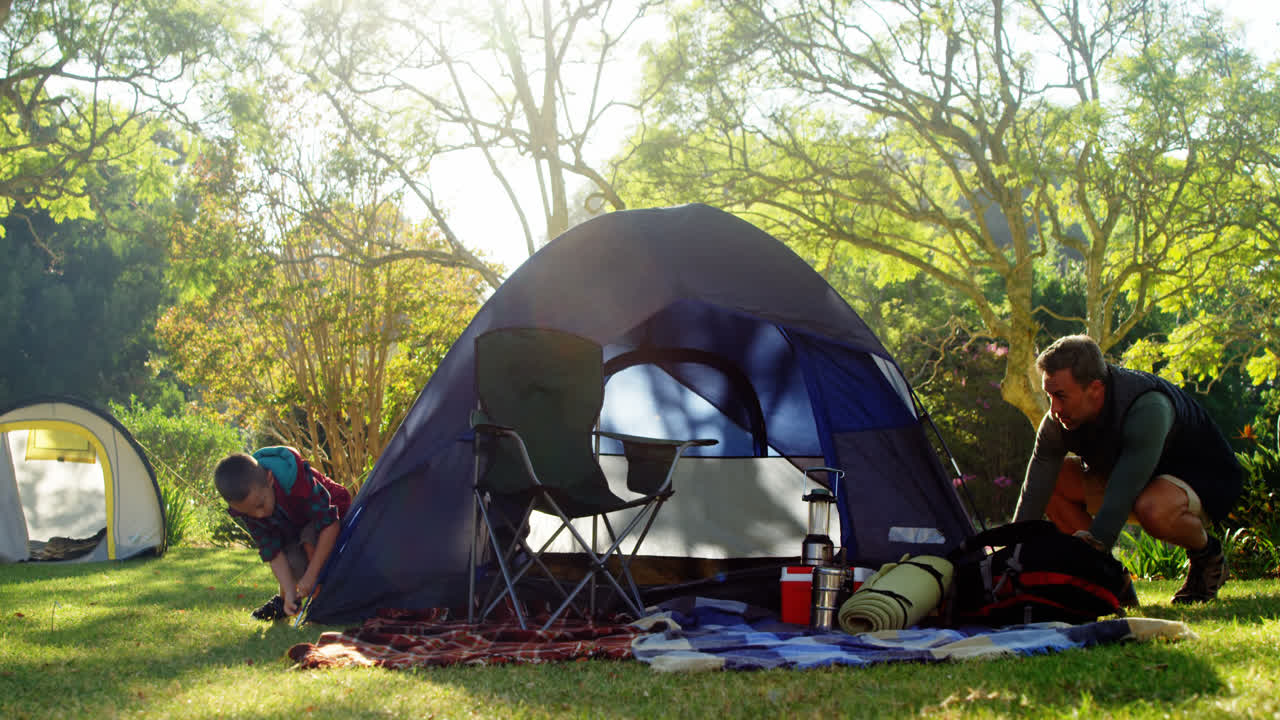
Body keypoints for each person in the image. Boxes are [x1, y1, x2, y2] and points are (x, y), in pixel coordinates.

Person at [1012, 335, 1243, 604]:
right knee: (1057, 481)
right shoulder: (1058, 421)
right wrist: (1009, 552)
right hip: (1134, 479)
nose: (1054, 409)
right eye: (1049, 395)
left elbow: (1121, 495)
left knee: (1152, 508)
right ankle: (1111, 584)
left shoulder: (1148, 408)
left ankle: (1208, 556)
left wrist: (1095, 549)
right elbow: (1034, 491)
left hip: (1204, 480)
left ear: (1095, 389)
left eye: (1061, 396)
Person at [214, 446, 352, 619]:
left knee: (309, 539)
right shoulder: (250, 505)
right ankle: (286, 601)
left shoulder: (296, 480)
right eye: (250, 513)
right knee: (292, 558)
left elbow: (330, 525)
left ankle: (324, 598)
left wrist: (310, 576)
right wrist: (289, 591)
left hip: (333, 513)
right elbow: (273, 551)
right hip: (295, 525)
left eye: (260, 505)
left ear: (270, 479)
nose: (259, 515)